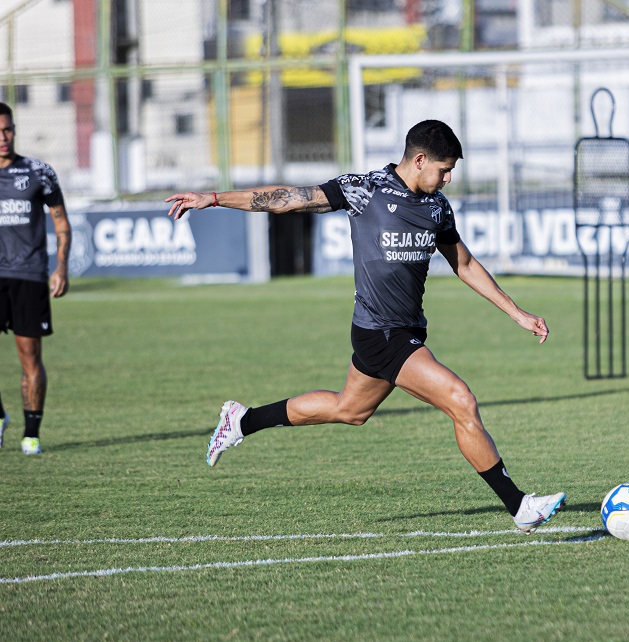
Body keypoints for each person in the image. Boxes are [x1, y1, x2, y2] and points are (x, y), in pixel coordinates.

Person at [167, 119, 565, 532]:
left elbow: (462, 263)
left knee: (349, 409)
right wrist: (212, 199)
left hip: (406, 329)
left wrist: (517, 313)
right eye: (444, 170)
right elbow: (287, 198)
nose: (448, 178)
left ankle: (241, 420)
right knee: (460, 399)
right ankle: (521, 508)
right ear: (420, 159)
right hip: (382, 334)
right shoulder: (365, 189)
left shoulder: (436, 207)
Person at [0, 101, 72, 456]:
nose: (2, 137)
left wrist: (61, 266)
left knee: (29, 358)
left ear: (14, 130)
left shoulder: (40, 173)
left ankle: (31, 434)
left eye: (7, 129)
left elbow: (62, 224)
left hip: (29, 278)